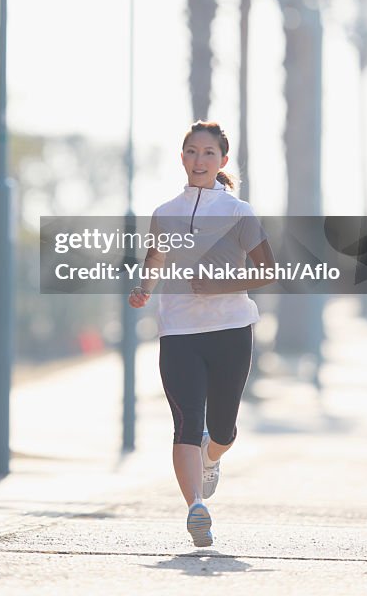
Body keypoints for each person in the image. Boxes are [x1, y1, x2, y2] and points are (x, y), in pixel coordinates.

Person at [128, 120, 275, 548]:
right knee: (186, 422)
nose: (199, 160)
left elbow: (267, 270)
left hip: (230, 329)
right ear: (182, 157)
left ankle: (213, 456)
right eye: (192, 151)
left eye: (209, 153)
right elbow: (155, 261)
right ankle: (196, 507)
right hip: (178, 331)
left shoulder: (240, 213)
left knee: (223, 430)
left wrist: (219, 285)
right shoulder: (165, 212)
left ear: (222, 161)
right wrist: (144, 289)